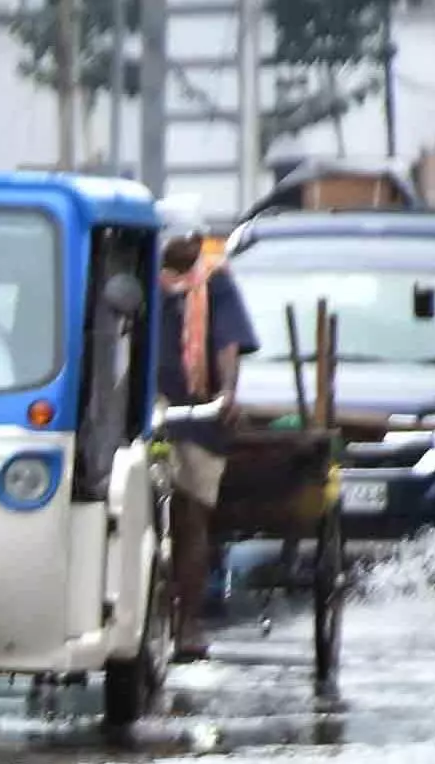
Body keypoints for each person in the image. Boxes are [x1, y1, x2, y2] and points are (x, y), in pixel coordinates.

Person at [157, 198, 258, 661]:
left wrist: (228, 393)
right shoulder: (140, 278)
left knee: (192, 514)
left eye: (187, 243)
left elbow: (227, 342)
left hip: (198, 413)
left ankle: (188, 621)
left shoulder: (214, 282)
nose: (181, 251)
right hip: (141, 413)